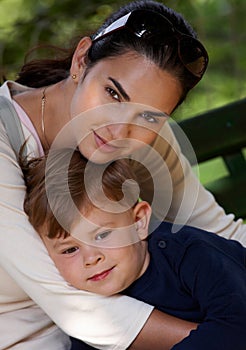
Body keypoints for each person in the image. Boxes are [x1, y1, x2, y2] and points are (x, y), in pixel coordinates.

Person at [0, 0, 245, 348]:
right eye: (113, 93)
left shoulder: (147, 138)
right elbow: (72, 307)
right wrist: (227, 334)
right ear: (82, 59)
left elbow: (219, 230)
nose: (120, 128)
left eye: (148, 116)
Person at [22, 148, 246, 350]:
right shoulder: (90, 316)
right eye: (70, 249)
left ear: (138, 222)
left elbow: (236, 325)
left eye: (102, 235)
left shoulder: (190, 254)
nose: (91, 258)